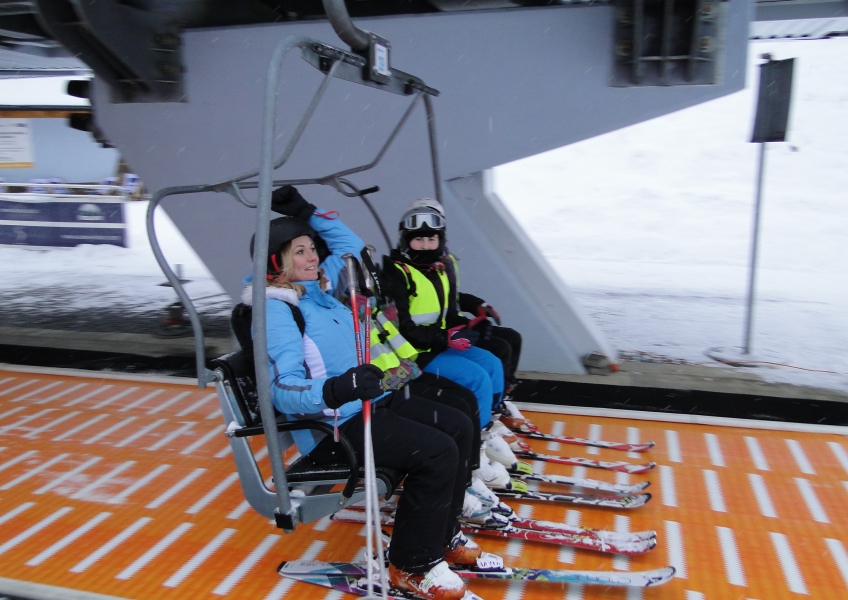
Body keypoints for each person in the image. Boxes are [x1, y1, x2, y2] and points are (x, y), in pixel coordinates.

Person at [248, 186, 486, 600]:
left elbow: (352, 250)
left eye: (312, 249)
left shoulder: (321, 296)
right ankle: (412, 565)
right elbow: (282, 389)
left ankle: (440, 534)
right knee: (437, 452)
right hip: (334, 426)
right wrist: (338, 388)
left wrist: (309, 213)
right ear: (276, 262)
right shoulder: (277, 311)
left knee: (458, 425)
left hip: (368, 404)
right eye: (300, 252)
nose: (312, 257)